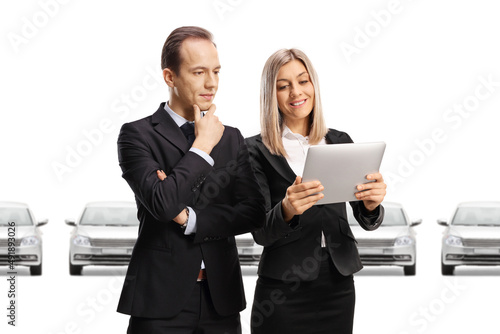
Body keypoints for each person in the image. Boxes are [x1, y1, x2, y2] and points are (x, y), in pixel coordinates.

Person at [116, 26, 266, 334]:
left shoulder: (233, 138)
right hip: (159, 302)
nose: (211, 83)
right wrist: (202, 147)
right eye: (198, 72)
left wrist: (190, 218)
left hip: (219, 300)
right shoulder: (137, 135)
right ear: (170, 77)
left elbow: (253, 211)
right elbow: (162, 203)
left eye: (216, 71)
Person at [245, 48, 387, 334]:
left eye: (303, 81)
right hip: (282, 288)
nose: (296, 92)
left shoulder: (339, 140)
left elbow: (365, 218)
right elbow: (260, 233)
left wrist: (372, 204)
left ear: (314, 85)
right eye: (283, 86)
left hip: (338, 281)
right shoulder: (254, 150)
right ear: (270, 95)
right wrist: (287, 209)